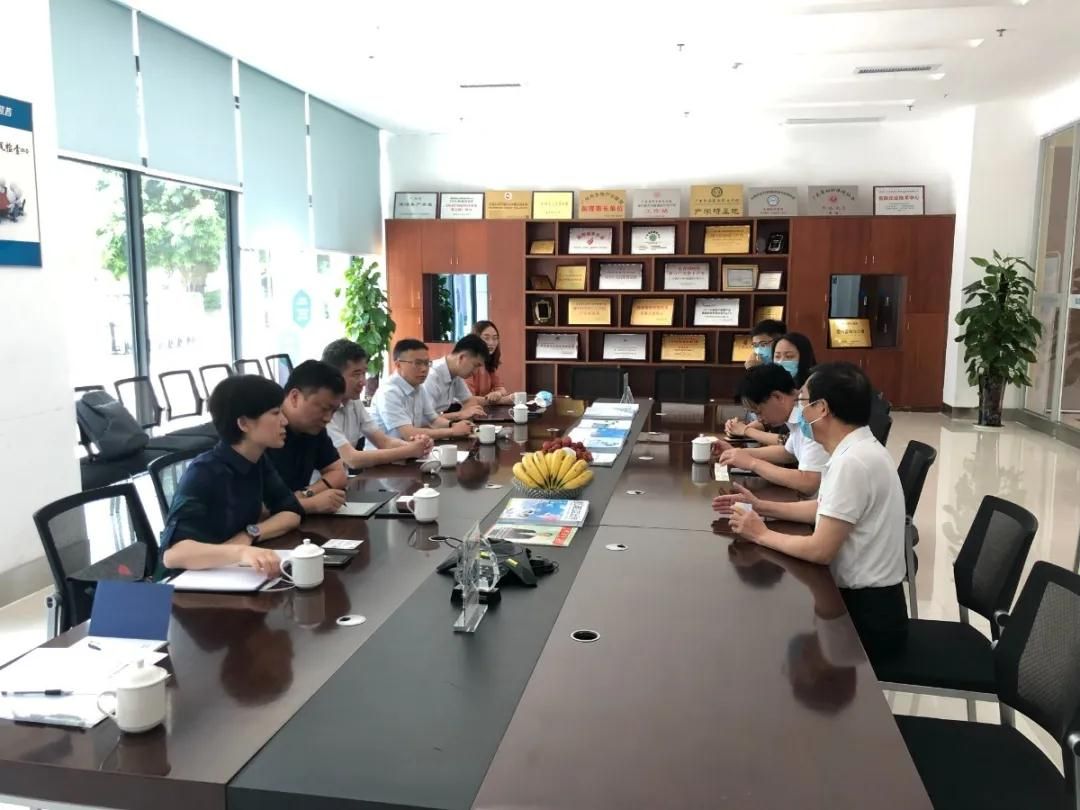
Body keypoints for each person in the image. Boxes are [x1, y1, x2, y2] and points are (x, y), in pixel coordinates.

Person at [715, 362, 908, 656]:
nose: (799, 410)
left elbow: (820, 550)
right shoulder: (855, 450)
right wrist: (761, 506)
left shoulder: (853, 463)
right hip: (863, 602)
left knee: (757, 637)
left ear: (822, 409)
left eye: (803, 401)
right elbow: (823, 509)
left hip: (865, 617)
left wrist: (761, 534)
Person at [159, 375, 303, 577]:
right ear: (243, 423)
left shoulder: (257, 460)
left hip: (228, 574)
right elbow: (173, 555)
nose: (284, 421)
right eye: (275, 413)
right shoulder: (204, 471)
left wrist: (250, 534)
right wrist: (241, 551)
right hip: (188, 585)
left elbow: (291, 512)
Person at [712, 364, 829, 495]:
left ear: (777, 397)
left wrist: (752, 463)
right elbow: (788, 453)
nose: (759, 419)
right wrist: (736, 453)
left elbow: (809, 483)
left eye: (759, 412)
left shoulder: (810, 417)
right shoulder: (795, 416)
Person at [321, 338, 432, 468]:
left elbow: (384, 442)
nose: (363, 382)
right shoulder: (322, 409)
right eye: (356, 374)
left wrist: (418, 446)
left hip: (347, 478)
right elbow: (352, 459)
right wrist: (410, 450)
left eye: (364, 373)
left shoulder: (354, 403)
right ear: (334, 376)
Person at [265, 360, 349, 514]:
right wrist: (309, 504)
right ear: (295, 397)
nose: (328, 418)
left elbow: (338, 474)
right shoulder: (263, 431)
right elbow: (255, 507)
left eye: (333, 411)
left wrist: (305, 494)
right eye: (324, 409)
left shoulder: (313, 428)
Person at [371, 338, 476, 441]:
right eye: (417, 363)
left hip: (413, 449)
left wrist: (453, 425)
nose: (424, 369)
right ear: (398, 365)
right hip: (388, 452)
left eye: (426, 363)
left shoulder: (418, 387)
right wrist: (452, 431)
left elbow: (433, 420)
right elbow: (408, 434)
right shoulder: (389, 392)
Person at [726, 332, 818, 445]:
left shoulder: (812, 392)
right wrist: (739, 428)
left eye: (789, 357)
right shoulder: (778, 387)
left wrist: (746, 430)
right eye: (777, 356)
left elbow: (787, 442)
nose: (782, 361)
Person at [422, 334, 490, 420]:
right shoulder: (431, 376)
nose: (476, 372)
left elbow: (469, 401)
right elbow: (424, 419)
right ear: (461, 357)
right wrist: (460, 415)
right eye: (475, 365)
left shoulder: (455, 375)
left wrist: (464, 417)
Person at [466, 320, 514, 405]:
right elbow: (467, 399)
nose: (491, 343)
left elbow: (501, 388)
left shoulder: (488, 361)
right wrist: (503, 400)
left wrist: (497, 393)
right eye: (486, 338)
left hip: (481, 410)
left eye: (495, 338)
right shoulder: (466, 363)